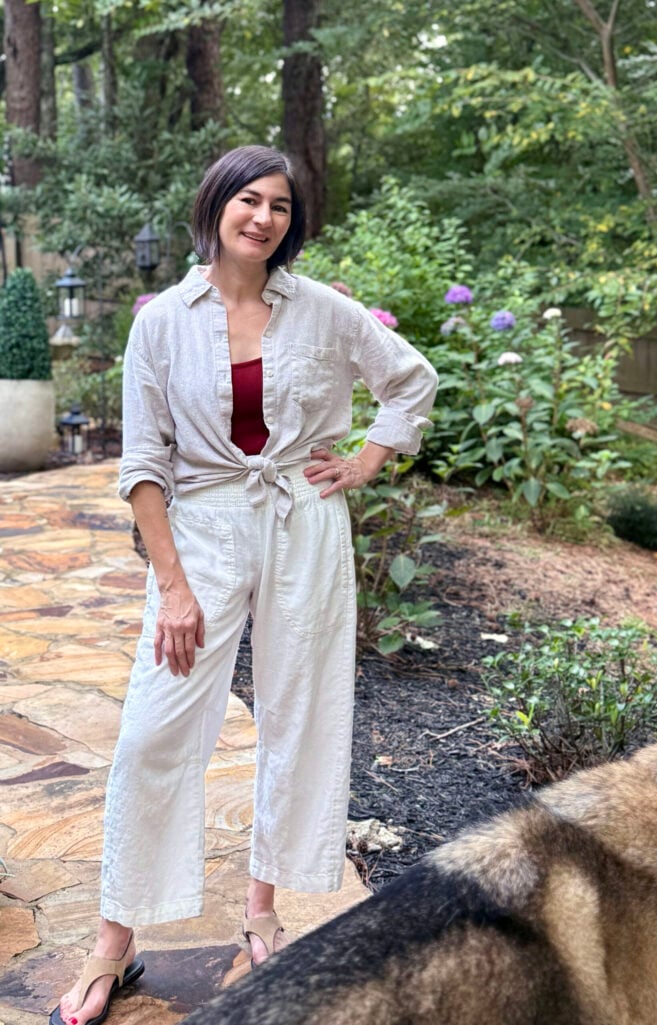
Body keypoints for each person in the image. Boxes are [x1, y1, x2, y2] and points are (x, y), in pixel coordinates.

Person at [50, 145, 438, 1025]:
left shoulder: (326, 312)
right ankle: (116, 938)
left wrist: (369, 457)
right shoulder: (162, 321)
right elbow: (143, 463)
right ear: (216, 205)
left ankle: (262, 915)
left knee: (299, 716)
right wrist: (173, 586)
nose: (263, 218)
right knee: (154, 729)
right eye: (248, 200)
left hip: (304, 523)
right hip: (203, 532)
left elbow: (409, 379)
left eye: (280, 206)